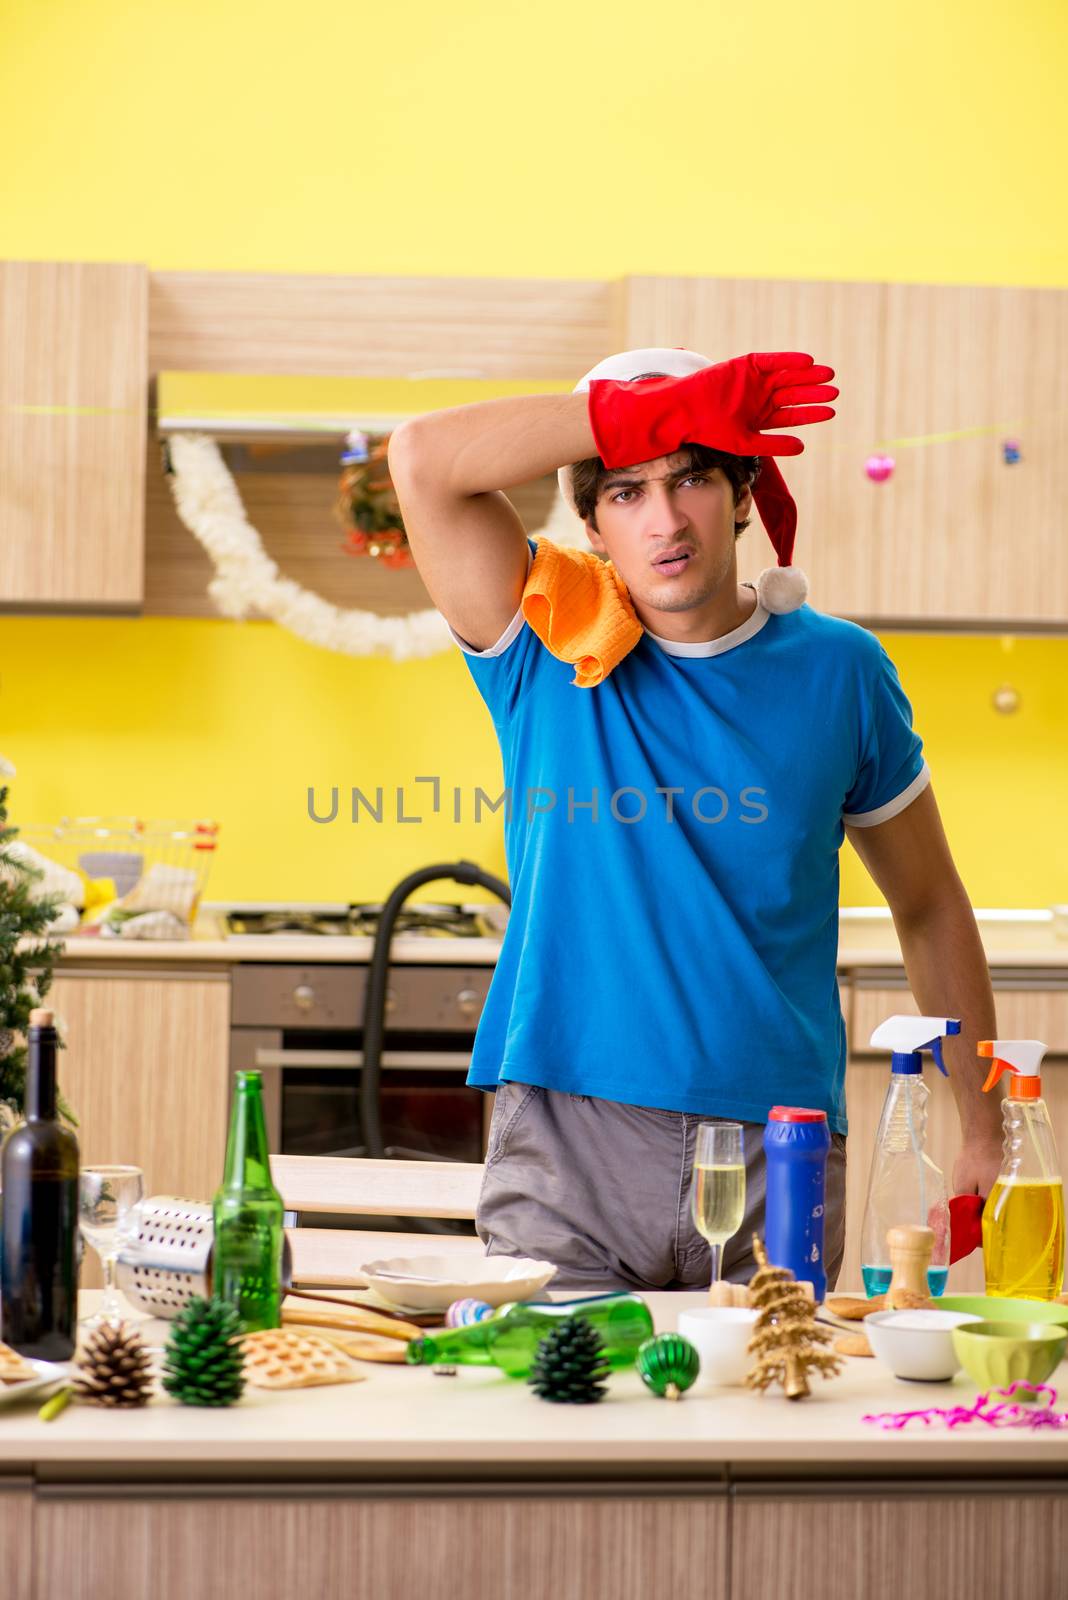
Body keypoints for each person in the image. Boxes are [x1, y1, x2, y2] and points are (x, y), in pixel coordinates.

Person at [388, 347, 1002, 1292]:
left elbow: (927, 902)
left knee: (766, 1421)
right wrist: (669, 408)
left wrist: (985, 1134)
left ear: (744, 492)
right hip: (570, 1144)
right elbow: (423, 458)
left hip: (779, 1152)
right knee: (559, 1423)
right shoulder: (542, 630)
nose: (666, 520)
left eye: (693, 478)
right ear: (591, 521)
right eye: (626, 492)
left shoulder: (842, 672)